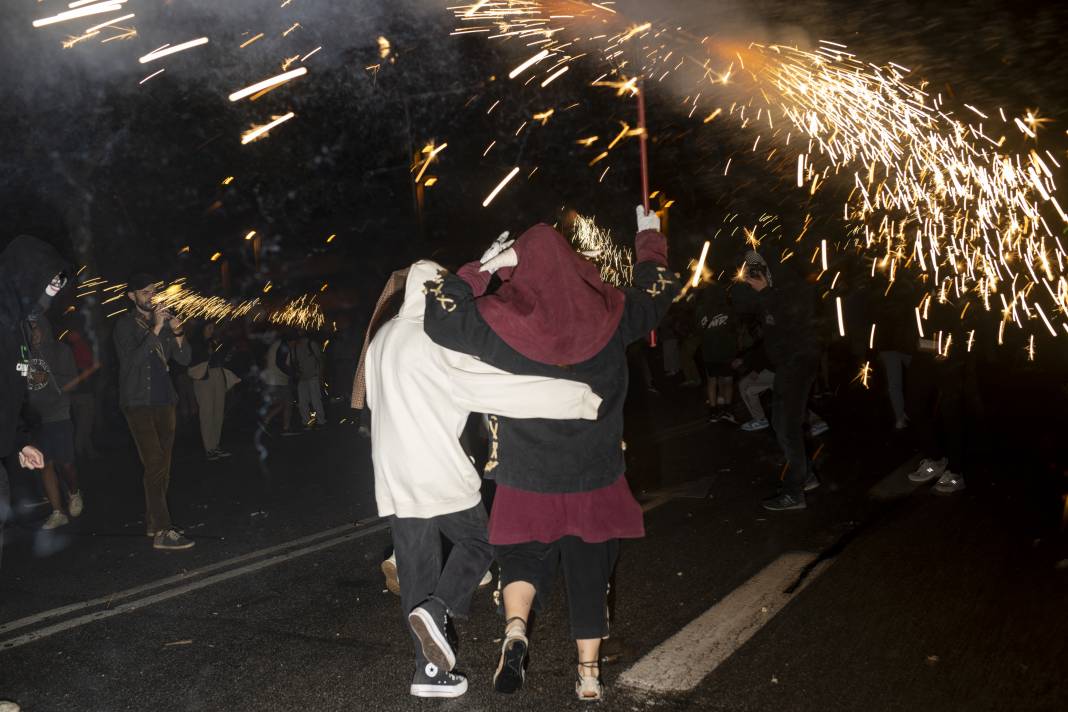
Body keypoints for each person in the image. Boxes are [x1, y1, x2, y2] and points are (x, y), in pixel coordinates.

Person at [423, 206, 679, 701]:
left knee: (521, 558)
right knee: (589, 567)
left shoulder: (499, 324)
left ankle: (516, 629)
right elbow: (659, 287)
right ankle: (587, 676)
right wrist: (649, 239)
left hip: (526, 473)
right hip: (595, 472)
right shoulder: (612, 313)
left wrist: (486, 269)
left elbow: (440, 313)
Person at [364, 261, 603, 699]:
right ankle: (438, 611)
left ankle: (428, 673)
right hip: (435, 467)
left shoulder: (382, 338)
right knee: (482, 541)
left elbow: (375, 401)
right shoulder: (437, 339)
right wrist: (580, 398)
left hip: (392, 472)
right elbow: (498, 388)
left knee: (417, 570)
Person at [734, 250, 825, 511]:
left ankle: (794, 491)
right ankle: (805, 475)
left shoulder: (789, 290)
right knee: (781, 423)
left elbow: (793, 322)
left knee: (788, 426)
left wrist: (765, 293)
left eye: (757, 269)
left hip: (799, 363)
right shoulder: (770, 294)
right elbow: (772, 336)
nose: (754, 275)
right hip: (787, 366)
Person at [114, 273, 194, 551]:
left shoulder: (162, 321)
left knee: (163, 466)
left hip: (164, 401)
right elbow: (133, 362)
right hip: (138, 402)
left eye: (152, 291)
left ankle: (153, 522)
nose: (150, 296)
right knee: (154, 462)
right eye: (144, 292)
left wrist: (179, 330)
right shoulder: (124, 325)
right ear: (132, 296)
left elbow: (184, 358)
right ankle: (163, 530)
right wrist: (158, 329)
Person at [0, 236, 68, 559]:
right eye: (48, 284)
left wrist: (19, 441)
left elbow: (9, 393)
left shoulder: (17, 325)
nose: (50, 294)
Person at [26, 316, 83, 530]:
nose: (33, 333)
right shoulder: (24, 355)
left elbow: (72, 381)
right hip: (35, 418)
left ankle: (74, 491)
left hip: (59, 414)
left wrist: (49, 375)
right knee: (44, 464)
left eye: (35, 327)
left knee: (65, 463)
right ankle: (57, 511)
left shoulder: (60, 351)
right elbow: (22, 382)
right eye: (29, 328)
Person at [189, 321, 232, 460]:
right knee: (207, 412)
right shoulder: (195, 343)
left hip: (217, 373)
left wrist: (223, 352)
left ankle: (216, 445)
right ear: (201, 329)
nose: (212, 330)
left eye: (213, 328)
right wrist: (209, 350)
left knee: (218, 410)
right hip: (204, 377)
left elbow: (219, 357)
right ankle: (209, 448)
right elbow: (193, 359)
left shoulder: (213, 341)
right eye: (209, 328)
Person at [697, 279, 738, 422]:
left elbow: (698, 330)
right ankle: (727, 410)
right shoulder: (728, 310)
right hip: (726, 352)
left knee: (712, 381)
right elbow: (735, 329)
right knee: (727, 381)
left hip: (709, 353)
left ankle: (713, 411)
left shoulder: (701, 310)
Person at [294, 333, 327, 428]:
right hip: (302, 377)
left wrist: (320, 375)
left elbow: (320, 359)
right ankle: (306, 421)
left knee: (315, 399)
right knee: (302, 401)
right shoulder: (296, 345)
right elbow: (296, 361)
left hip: (313, 376)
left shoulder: (311, 344)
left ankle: (321, 421)